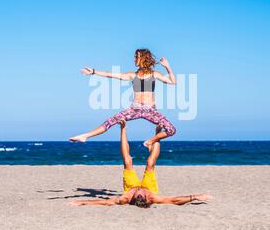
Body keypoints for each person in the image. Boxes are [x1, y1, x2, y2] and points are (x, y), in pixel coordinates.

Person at [67, 121, 211, 208]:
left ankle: (123, 129)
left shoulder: (125, 198)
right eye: (143, 194)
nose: (141, 192)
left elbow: (104, 203)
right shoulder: (152, 197)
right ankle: (157, 134)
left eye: (139, 194)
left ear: (135, 198)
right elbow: (174, 200)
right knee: (150, 163)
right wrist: (195, 197)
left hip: (130, 185)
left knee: (127, 161)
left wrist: (82, 202)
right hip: (151, 186)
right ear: (147, 198)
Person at [69, 48, 176, 150]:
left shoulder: (154, 74)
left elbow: (173, 82)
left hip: (150, 110)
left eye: (136, 57)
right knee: (110, 121)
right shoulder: (132, 75)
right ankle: (85, 136)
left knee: (171, 130)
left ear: (143, 58)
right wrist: (93, 71)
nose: (134, 59)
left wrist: (167, 67)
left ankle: (150, 141)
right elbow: (111, 75)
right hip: (135, 109)